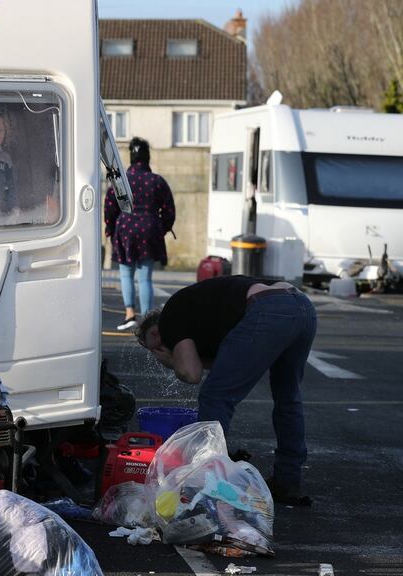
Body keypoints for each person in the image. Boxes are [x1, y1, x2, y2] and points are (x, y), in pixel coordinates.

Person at [136, 275, 317, 506]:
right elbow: (224, 365)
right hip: (302, 307)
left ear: (155, 334)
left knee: (215, 397)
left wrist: (170, 359)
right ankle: (288, 481)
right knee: (287, 397)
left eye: (157, 349)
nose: (160, 351)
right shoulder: (199, 317)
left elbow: (191, 374)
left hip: (268, 309)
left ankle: (208, 484)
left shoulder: (169, 321)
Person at [104, 137, 175, 330]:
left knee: (126, 275)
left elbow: (110, 207)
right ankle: (146, 319)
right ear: (148, 157)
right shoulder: (158, 181)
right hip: (150, 230)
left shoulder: (121, 181)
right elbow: (169, 211)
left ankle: (129, 315)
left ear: (131, 157)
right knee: (145, 278)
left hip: (125, 229)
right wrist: (162, 228)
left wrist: (110, 229)